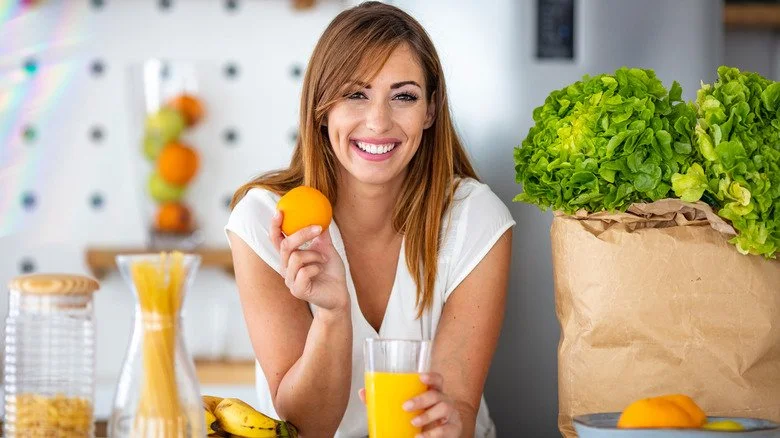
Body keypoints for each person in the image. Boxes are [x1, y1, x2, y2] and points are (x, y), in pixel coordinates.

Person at [225, 2, 514, 436]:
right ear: (322, 108)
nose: (378, 122)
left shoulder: (473, 218)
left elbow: (458, 408)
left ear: (430, 110)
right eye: (355, 94)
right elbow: (306, 427)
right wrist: (332, 314)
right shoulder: (267, 219)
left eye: (404, 96)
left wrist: (451, 421)